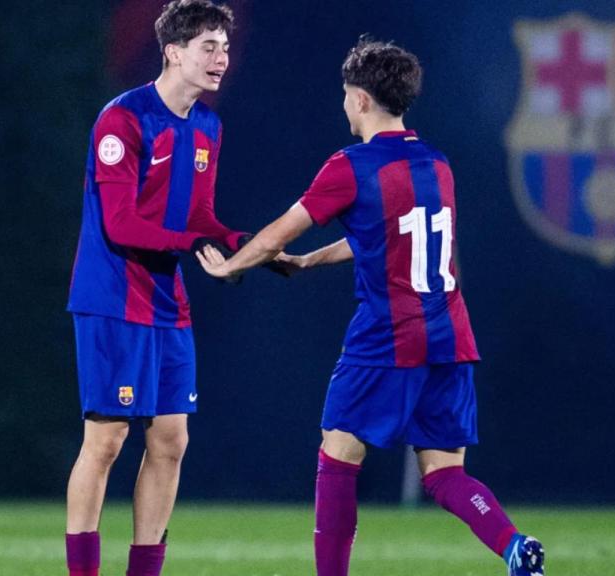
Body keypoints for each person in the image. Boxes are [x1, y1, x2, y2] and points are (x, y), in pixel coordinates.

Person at [195, 38, 546, 576]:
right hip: (449, 334)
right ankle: (515, 547)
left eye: (344, 95)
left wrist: (231, 265)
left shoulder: (351, 166)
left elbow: (273, 236)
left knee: (338, 455)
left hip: (388, 334)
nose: (342, 105)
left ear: (360, 99)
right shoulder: (437, 163)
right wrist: (311, 263)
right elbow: (385, 236)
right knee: (443, 473)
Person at [64, 1, 243, 574]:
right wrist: (191, 244)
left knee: (170, 441)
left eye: (224, 46)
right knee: (107, 442)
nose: (221, 58)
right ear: (173, 52)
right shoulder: (123, 120)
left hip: (167, 303)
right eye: (208, 47)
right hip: (112, 298)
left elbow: (202, 216)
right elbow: (119, 224)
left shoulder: (208, 126)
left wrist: (251, 243)